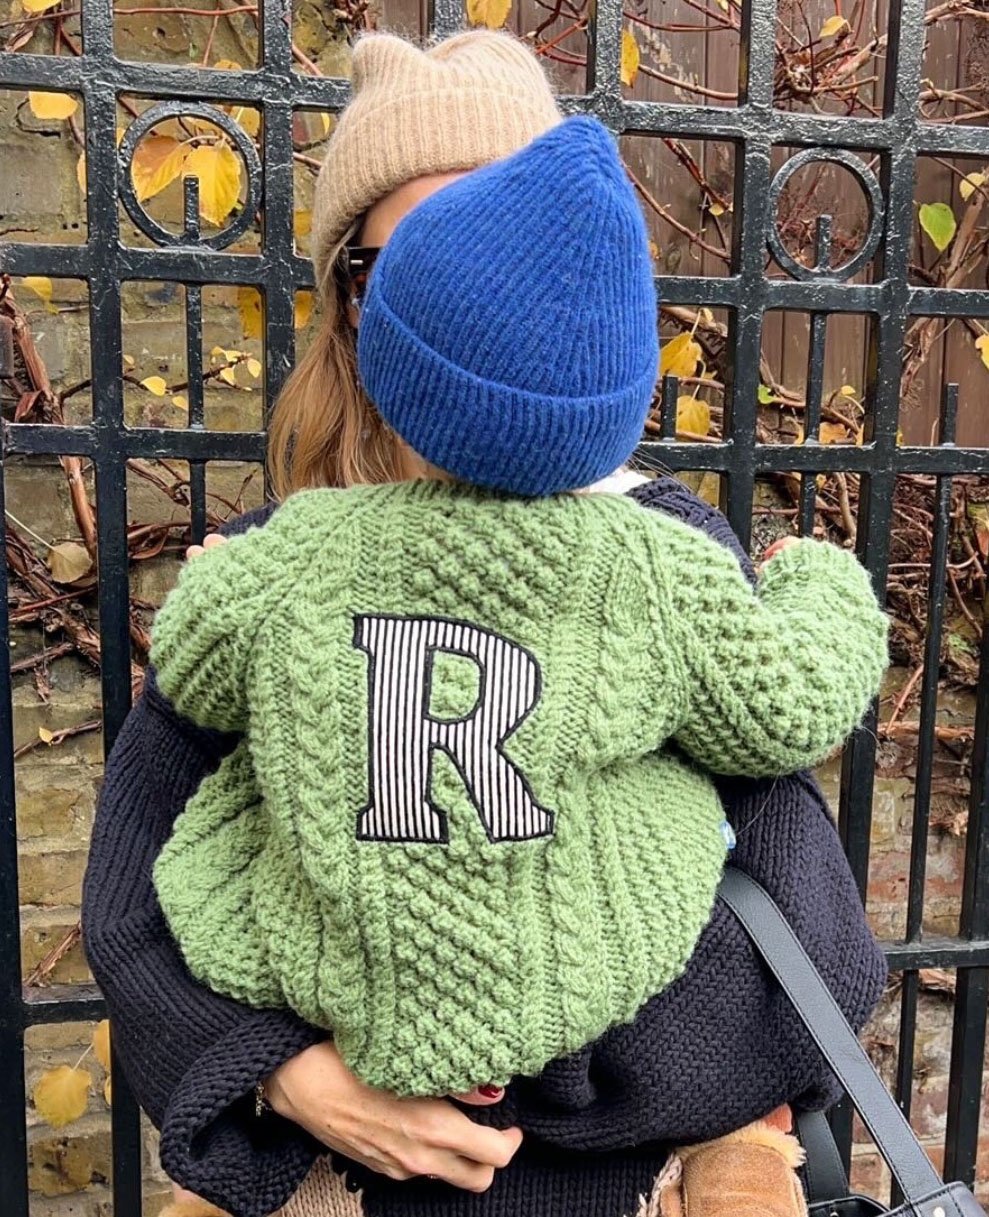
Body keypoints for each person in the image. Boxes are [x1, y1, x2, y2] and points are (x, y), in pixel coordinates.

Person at [81, 29, 888, 1217]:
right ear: (347, 301)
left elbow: (799, 912)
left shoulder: (661, 555)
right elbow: (130, 898)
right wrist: (293, 1078)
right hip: (348, 1178)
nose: (458, 298)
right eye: (392, 261)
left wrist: (531, 1084)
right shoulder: (271, 572)